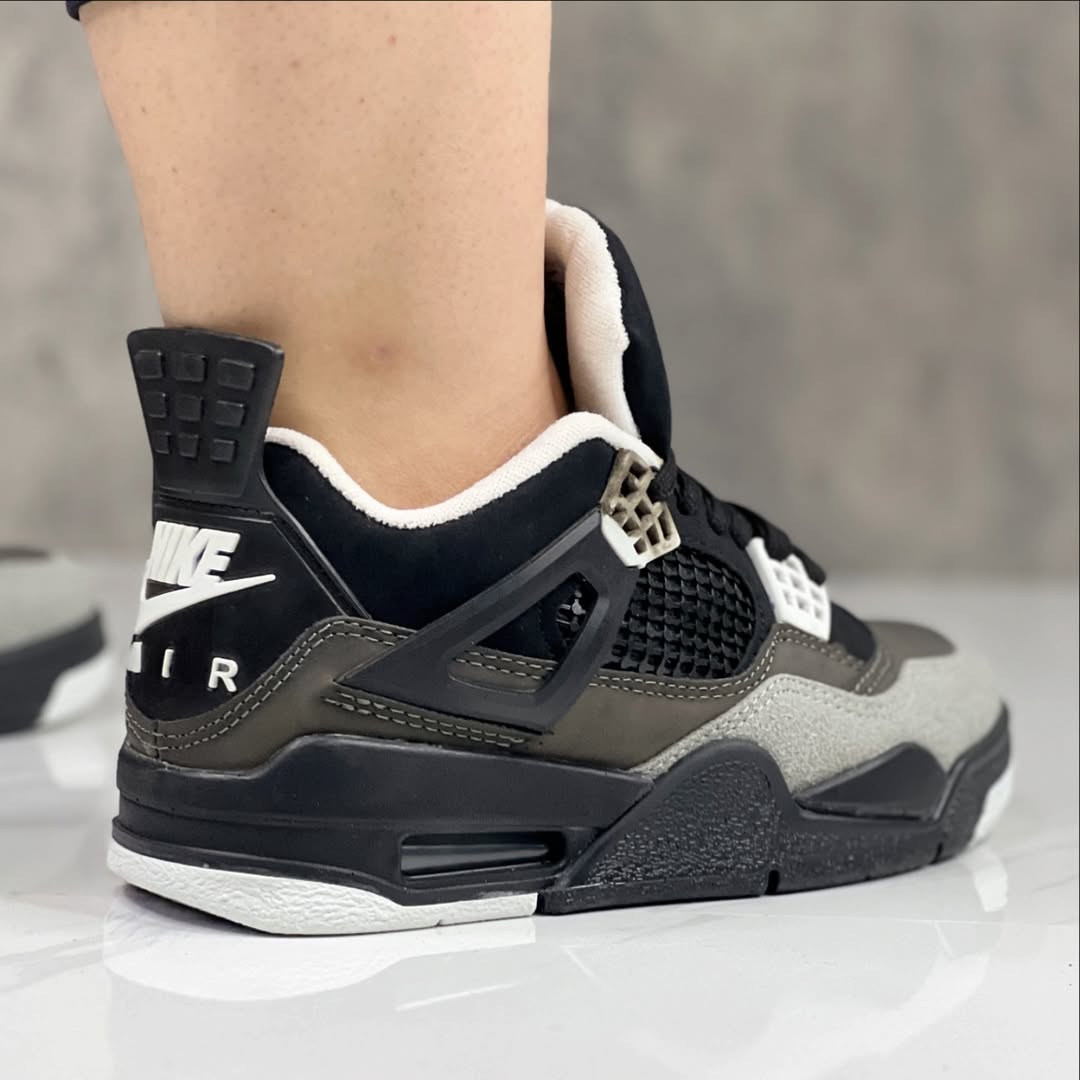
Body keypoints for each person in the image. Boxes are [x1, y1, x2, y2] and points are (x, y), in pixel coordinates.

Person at [70, 1, 1010, 935]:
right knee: (393, 410)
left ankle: (238, 636)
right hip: (489, 620)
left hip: (227, 647)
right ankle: (497, 515)